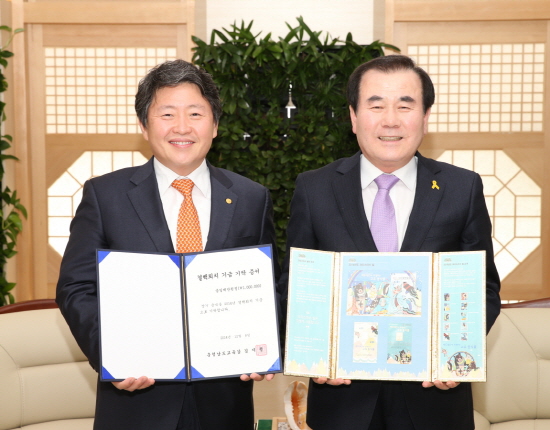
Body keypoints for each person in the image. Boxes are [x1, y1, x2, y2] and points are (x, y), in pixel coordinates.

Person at [279, 55, 501, 430]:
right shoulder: (315, 189)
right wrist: (314, 355)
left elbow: (484, 288)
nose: (391, 120)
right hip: (342, 401)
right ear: (353, 117)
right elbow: (295, 287)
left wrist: (456, 356)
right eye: (376, 105)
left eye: (405, 105)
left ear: (425, 117)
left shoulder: (461, 188)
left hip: (434, 402)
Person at [56, 59, 280, 430]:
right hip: (136, 404)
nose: (182, 127)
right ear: (144, 125)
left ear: (215, 125)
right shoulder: (105, 196)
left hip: (225, 405)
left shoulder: (251, 197)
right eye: (167, 114)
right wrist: (112, 356)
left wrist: (264, 345)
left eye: (195, 113)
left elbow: (270, 287)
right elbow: (76, 288)